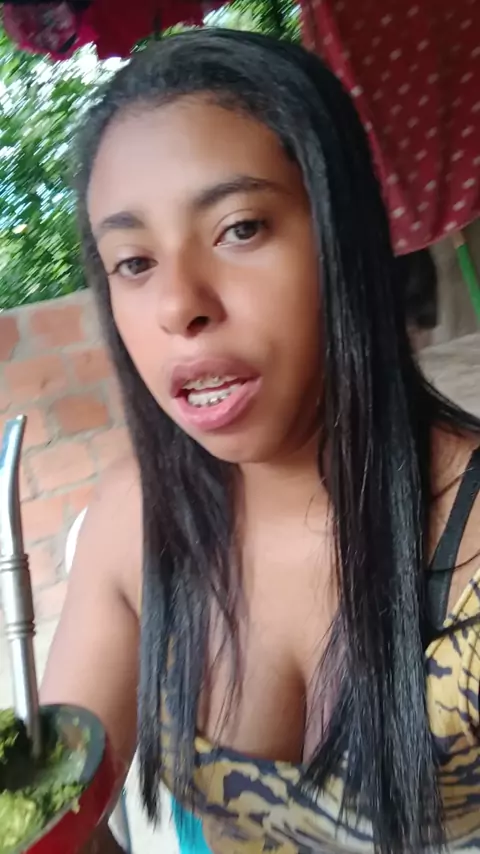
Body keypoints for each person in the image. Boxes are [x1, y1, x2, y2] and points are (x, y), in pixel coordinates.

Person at [41, 29, 480, 854]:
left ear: (343, 236)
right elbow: (59, 817)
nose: (180, 305)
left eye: (240, 228)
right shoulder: (130, 527)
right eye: (133, 262)